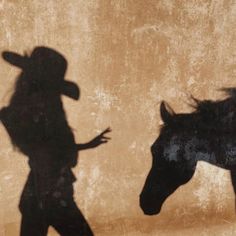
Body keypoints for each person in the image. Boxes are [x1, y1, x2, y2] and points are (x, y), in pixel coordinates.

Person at [0, 47, 111, 236]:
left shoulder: (28, 109)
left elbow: (46, 148)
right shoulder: (44, 108)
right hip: (52, 196)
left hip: (37, 196)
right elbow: (46, 152)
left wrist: (85, 145)